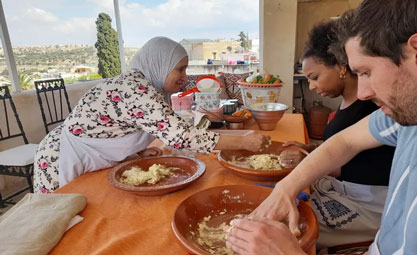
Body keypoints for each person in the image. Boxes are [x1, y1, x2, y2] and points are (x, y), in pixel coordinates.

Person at [226, 0, 417, 254]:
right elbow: (345, 142)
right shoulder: (405, 117)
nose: (363, 93)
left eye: (366, 72)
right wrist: (285, 188)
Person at [33, 37, 269, 193]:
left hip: (80, 153)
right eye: (180, 69)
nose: (185, 77)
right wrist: (242, 141)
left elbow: (114, 129)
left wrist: (134, 153)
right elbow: (179, 137)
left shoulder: (148, 87)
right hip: (59, 159)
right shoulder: (135, 88)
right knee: (61, 225)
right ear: (160, 64)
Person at [279, 18, 395, 249]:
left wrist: (323, 164)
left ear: (342, 68)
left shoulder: (382, 109)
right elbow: (345, 145)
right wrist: (311, 150)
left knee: (290, 228)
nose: (311, 86)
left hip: (367, 203)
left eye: (315, 77)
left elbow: (383, 168)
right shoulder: (350, 104)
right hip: (343, 191)